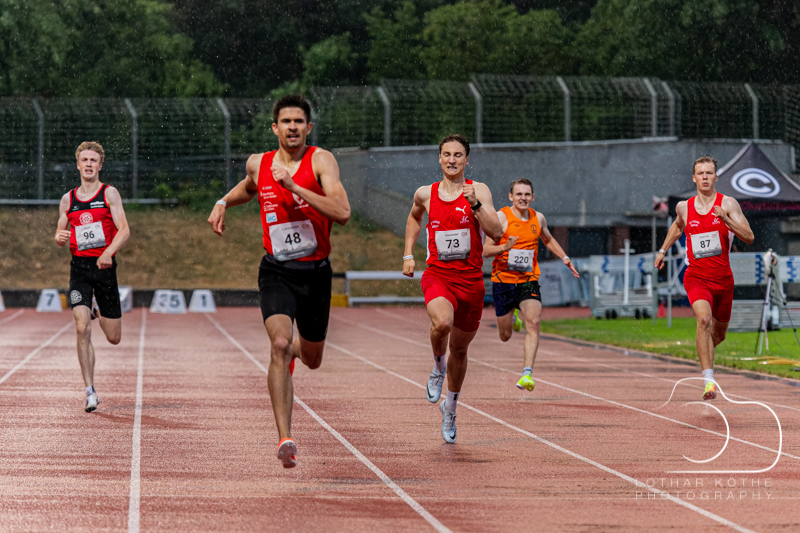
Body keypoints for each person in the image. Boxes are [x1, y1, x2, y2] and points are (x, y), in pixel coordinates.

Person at [208, 94, 350, 468]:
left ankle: (297, 352)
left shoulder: (321, 161)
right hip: (276, 271)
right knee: (280, 343)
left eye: (298, 121)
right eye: (285, 121)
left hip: (316, 273)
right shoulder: (260, 163)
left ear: (309, 127)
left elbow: (343, 212)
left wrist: (295, 187)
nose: (292, 127)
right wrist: (222, 202)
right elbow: (248, 187)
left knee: (313, 359)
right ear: (275, 128)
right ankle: (285, 437)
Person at [402, 134, 503, 444]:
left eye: (458, 155)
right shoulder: (425, 194)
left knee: (459, 349)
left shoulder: (479, 191)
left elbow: (497, 233)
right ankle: (437, 366)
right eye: (447, 154)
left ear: (466, 160)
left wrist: (475, 205)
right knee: (442, 322)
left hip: (471, 282)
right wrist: (408, 254)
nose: (452, 160)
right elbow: (414, 218)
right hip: (438, 275)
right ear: (439, 158)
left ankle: (451, 407)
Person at [654, 155, 754, 400]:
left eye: (709, 173)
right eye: (701, 173)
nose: (705, 177)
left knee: (718, 335)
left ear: (716, 177)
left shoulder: (728, 204)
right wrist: (662, 250)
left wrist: (726, 219)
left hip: (723, 279)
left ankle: (704, 352)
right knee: (704, 320)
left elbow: (749, 237)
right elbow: (678, 226)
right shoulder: (684, 207)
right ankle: (709, 381)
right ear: (694, 178)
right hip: (696, 277)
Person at [483, 178, 580, 391]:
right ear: (511, 196)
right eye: (519, 194)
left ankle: (527, 374)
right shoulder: (501, 217)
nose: (523, 198)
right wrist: (504, 248)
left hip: (528, 280)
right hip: (503, 281)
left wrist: (565, 258)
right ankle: (513, 318)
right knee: (505, 335)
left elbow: (548, 239)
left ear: (533, 197)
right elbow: (486, 250)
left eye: (527, 194)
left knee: (534, 322)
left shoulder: (538, 218)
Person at [54, 142, 130, 412]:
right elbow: (60, 232)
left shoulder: (109, 193)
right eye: (84, 160)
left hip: (105, 268)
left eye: (93, 160)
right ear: (77, 165)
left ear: (100, 165)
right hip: (80, 269)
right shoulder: (68, 199)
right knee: (81, 326)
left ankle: (96, 308)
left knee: (114, 337)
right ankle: (90, 391)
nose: (88, 164)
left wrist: (108, 252)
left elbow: (124, 230)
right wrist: (59, 237)